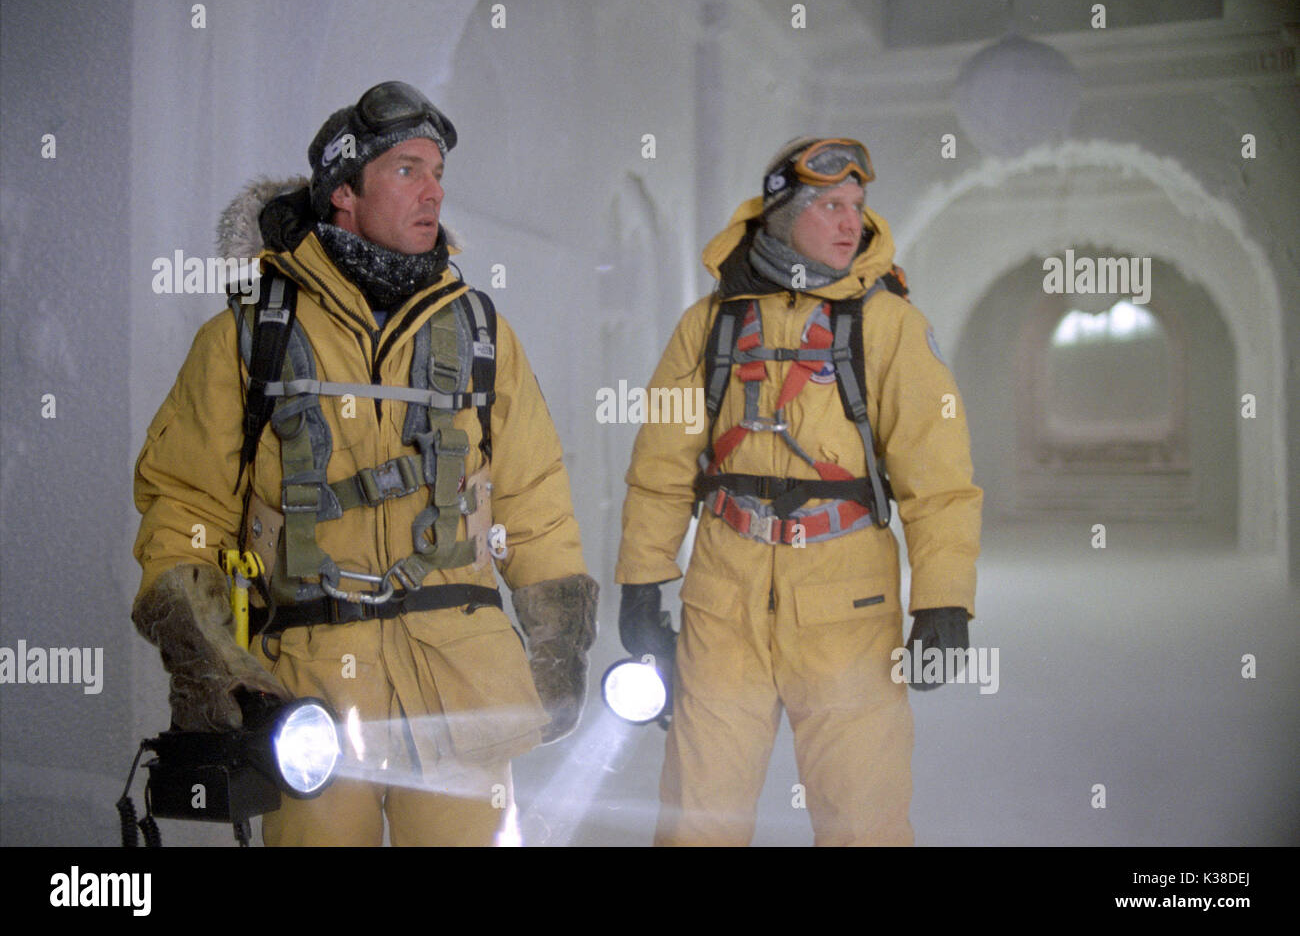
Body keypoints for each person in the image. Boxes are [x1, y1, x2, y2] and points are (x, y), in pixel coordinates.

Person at [131, 81, 597, 846]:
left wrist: (556, 642)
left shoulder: (480, 333)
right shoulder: (250, 338)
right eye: (408, 169)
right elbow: (184, 508)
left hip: (462, 694)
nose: (434, 191)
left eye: (439, 173)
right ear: (343, 191)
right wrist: (215, 663)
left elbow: (536, 499)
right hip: (306, 699)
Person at [615, 136, 982, 846]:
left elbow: (940, 483)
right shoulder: (709, 325)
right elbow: (660, 466)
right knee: (698, 816)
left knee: (861, 818)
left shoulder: (891, 327)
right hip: (723, 602)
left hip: (850, 608)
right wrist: (641, 581)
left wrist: (945, 600)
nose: (851, 223)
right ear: (781, 211)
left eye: (857, 206)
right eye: (829, 205)